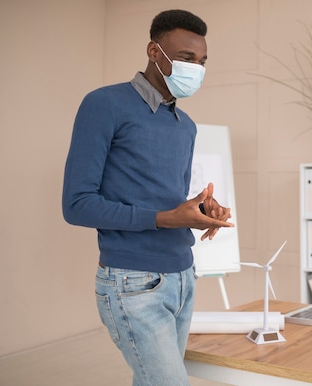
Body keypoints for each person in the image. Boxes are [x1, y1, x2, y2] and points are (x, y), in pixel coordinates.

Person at [62, 9, 234, 386]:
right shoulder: (104, 104)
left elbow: (168, 198)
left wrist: (203, 210)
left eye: (202, 61)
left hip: (184, 276)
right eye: (187, 58)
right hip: (132, 281)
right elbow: (76, 204)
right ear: (155, 52)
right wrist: (166, 218)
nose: (196, 68)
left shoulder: (184, 125)